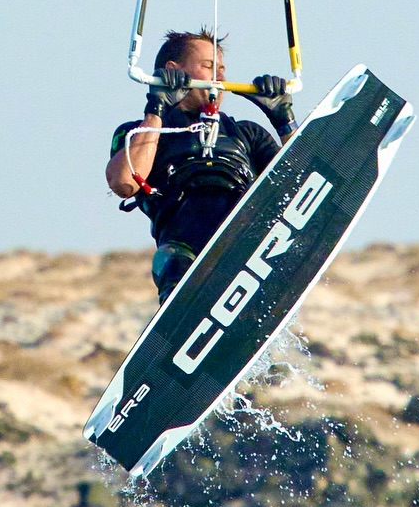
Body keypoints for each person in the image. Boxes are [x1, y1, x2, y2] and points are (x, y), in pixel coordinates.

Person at [106, 28, 296, 303]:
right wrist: (156, 107)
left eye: (222, 69)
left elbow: (300, 185)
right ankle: (179, 315)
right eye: (208, 67)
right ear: (174, 71)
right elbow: (124, 183)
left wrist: (284, 121)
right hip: (184, 247)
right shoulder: (138, 132)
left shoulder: (247, 133)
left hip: (248, 238)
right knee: (171, 262)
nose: (220, 78)